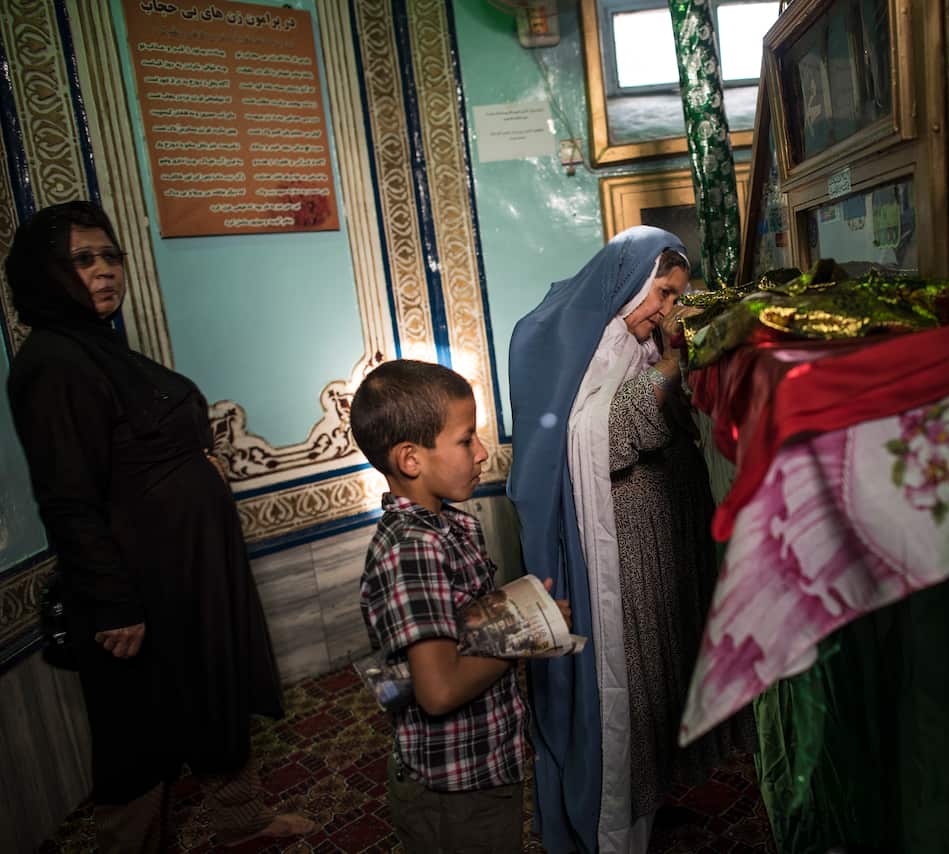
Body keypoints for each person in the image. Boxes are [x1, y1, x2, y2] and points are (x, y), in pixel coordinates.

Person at [4, 201, 312, 851]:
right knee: (139, 733)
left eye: (110, 256)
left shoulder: (99, 352)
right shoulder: (52, 364)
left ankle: (238, 817)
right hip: (137, 592)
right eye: (83, 260)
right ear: (45, 274)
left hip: (185, 575)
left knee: (212, 697)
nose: (105, 271)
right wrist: (114, 603)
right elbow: (67, 497)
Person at [508, 226, 755, 854]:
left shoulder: (631, 342)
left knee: (660, 686)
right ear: (632, 284)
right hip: (619, 558)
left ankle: (649, 805)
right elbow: (610, 434)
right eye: (663, 294)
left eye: (677, 298)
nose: (668, 310)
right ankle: (620, 825)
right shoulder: (580, 341)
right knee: (632, 694)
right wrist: (680, 363)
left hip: (659, 545)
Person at [351, 359, 568, 854]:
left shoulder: (444, 526)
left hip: (479, 767)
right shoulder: (414, 547)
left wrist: (520, 606)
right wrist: (528, 635)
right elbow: (439, 690)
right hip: (455, 791)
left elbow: (458, 622)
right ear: (411, 459)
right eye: (466, 439)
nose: (482, 452)